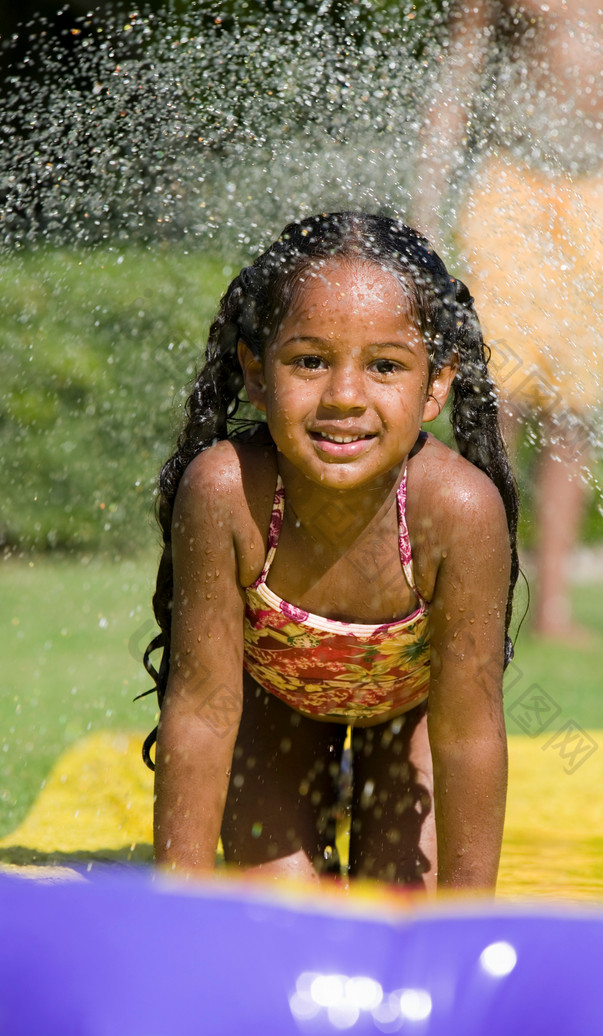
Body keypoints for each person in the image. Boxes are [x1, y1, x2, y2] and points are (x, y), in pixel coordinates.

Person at [140, 212, 519, 892]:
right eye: (310, 361)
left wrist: (469, 926)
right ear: (256, 373)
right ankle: (320, 783)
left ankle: (358, 780)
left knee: (401, 913)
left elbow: (468, 737)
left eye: (385, 366)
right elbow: (199, 713)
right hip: (273, 712)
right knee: (285, 921)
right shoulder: (228, 493)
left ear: (435, 384)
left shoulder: (458, 512)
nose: (344, 397)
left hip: (408, 722)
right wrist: (177, 914)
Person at [414, 0, 603, 640]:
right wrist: (424, 212)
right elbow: (459, 75)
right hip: (512, 186)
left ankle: (553, 608)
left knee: (573, 416)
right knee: (491, 405)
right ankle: (469, 591)